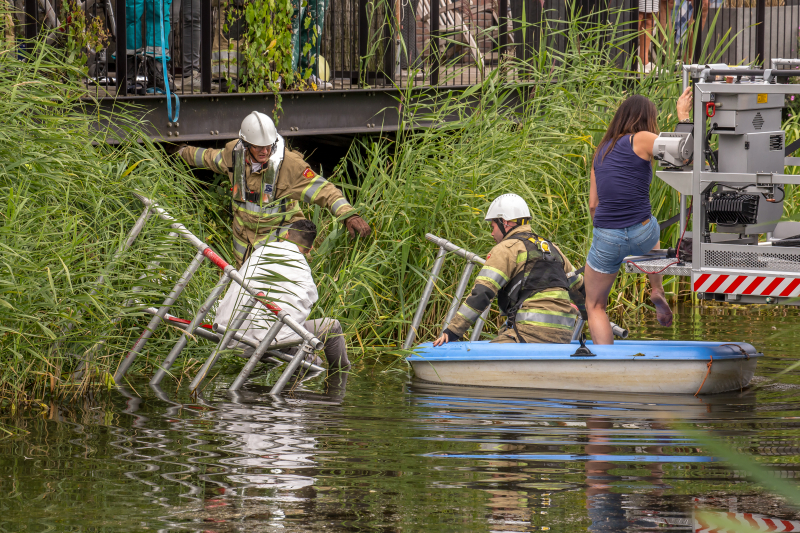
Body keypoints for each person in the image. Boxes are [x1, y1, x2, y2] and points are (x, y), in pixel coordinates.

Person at [175, 111, 371, 268]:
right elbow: (208, 158)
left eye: (269, 146)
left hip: (279, 247)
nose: (265, 151)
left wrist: (349, 215)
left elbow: (326, 191)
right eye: (258, 147)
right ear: (245, 144)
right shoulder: (233, 155)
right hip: (244, 248)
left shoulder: (290, 166)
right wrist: (180, 151)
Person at [585, 87, 693, 345]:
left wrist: (606, 232)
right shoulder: (642, 138)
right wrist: (683, 115)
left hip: (607, 236)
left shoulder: (600, 150)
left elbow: (593, 204)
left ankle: (608, 365)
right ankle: (656, 289)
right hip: (643, 233)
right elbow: (681, 152)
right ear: (646, 119)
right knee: (651, 225)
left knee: (595, 305)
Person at [433, 194, 584, 347]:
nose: (492, 234)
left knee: (486, 357)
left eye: (492, 227)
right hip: (564, 336)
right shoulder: (551, 248)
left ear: (504, 223)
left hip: (529, 332)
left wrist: (452, 332)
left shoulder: (506, 249)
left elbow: (482, 293)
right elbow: (581, 290)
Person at [214, 219, 350, 368]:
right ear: (310, 248)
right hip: (269, 342)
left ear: (286, 235)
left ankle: (311, 366)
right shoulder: (303, 269)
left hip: (227, 332)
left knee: (312, 360)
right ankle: (340, 377)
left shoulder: (260, 252)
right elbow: (307, 305)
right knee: (333, 326)